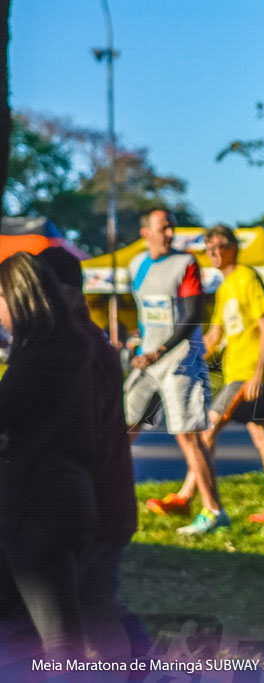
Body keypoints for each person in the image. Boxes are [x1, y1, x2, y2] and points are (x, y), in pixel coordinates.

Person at [35, 247, 143, 658]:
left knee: (94, 613)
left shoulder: (75, 345)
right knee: (96, 610)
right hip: (104, 500)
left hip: (95, 504)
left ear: (60, 292)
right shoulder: (87, 338)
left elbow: (75, 432)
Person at [0, 252, 97, 657]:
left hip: (38, 507)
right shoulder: (68, 347)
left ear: (18, 297)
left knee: (61, 643)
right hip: (66, 496)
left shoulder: (39, 357)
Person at [125, 209, 226, 534]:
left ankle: (213, 511)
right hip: (148, 361)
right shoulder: (135, 265)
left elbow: (193, 315)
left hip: (180, 360)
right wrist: (140, 344)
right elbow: (146, 314)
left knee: (188, 436)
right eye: (163, 227)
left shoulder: (186, 264)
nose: (169, 233)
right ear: (146, 232)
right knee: (122, 428)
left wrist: (160, 350)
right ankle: (113, 499)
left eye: (170, 227)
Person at [200, 225, 264, 523]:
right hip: (236, 373)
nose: (214, 253)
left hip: (248, 374)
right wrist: (187, 358)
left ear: (233, 248)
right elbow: (215, 335)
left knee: (206, 434)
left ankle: (195, 500)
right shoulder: (224, 287)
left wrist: (257, 373)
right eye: (209, 249)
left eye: (219, 246)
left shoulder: (247, 278)